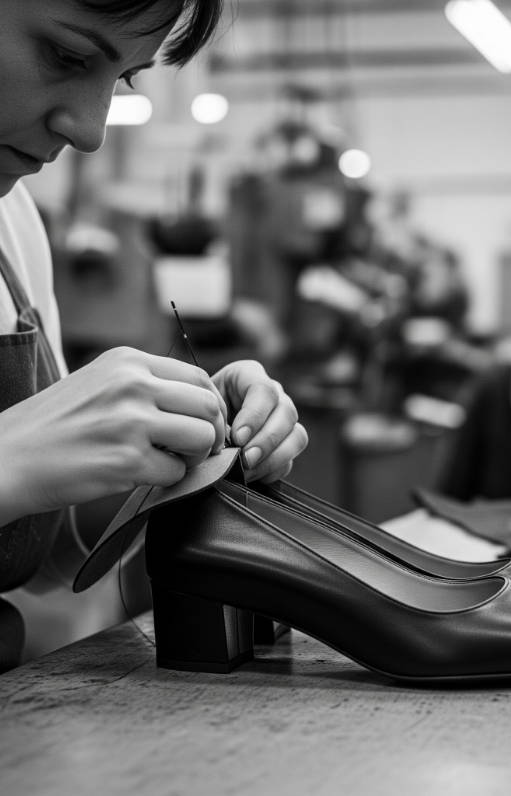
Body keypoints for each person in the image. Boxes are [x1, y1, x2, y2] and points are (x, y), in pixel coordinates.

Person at [0, 0, 307, 663]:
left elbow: (46, 562)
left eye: (124, 78)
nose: (89, 130)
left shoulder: (12, 226)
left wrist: (165, 452)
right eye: (68, 56)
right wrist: (10, 457)